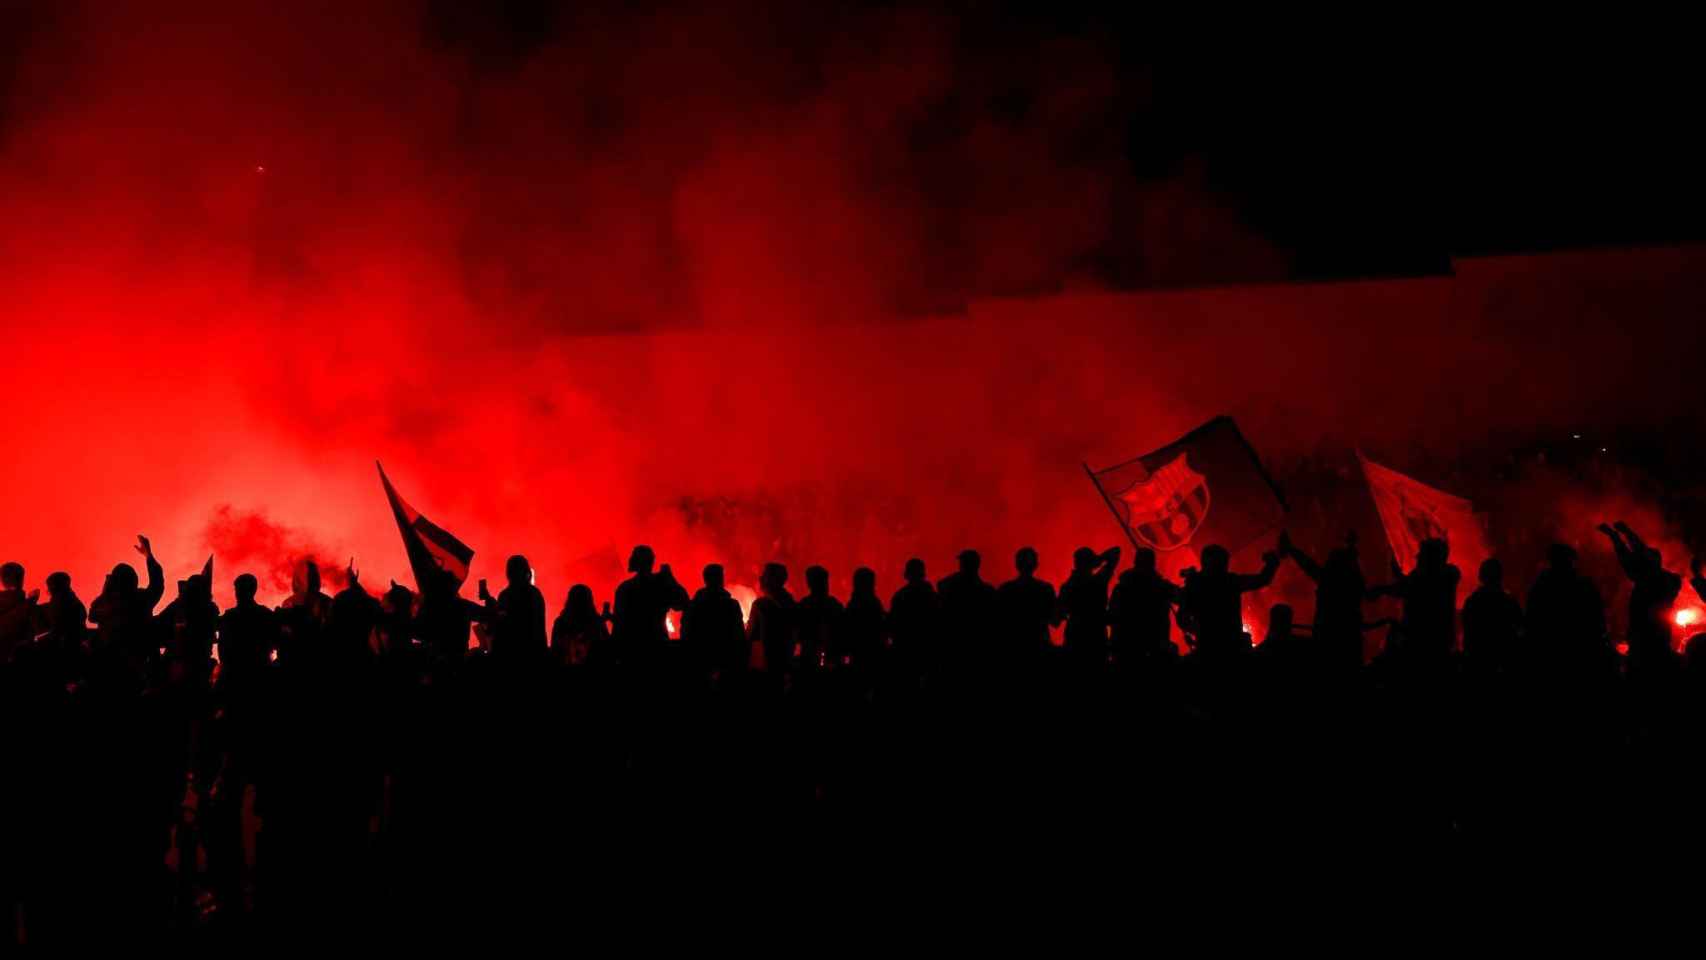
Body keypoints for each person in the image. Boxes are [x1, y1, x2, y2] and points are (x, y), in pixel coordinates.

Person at [1600, 521, 1683, 669]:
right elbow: (1629, 556)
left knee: (1644, 667)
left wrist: (1619, 535)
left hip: (1646, 635)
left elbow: (1628, 556)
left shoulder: (1655, 579)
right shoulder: (1670, 579)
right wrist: (1620, 535)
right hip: (1655, 635)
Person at [1280, 531, 1367, 671]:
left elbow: (1309, 565)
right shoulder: (1354, 583)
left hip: (1328, 640)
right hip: (1350, 642)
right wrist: (1351, 551)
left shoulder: (1329, 581)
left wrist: (1291, 549)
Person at [1178, 541, 1282, 658]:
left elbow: (1182, 618)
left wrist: (1200, 633)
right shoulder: (1230, 581)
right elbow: (1262, 579)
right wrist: (1272, 562)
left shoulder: (1194, 584)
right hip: (1233, 649)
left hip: (1207, 651)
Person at [1367, 538, 1461, 662]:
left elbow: (1410, 587)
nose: (1417, 557)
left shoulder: (1427, 577)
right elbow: (1412, 586)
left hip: (1420, 642)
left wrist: (1380, 589)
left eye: (1421, 554)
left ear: (1430, 558)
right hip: (1440, 641)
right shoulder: (1446, 576)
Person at [1525, 543, 1608, 673]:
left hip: (1549, 649)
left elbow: (1531, 616)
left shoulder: (1542, 585)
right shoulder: (1583, 585)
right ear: (1571, 560)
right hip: (1579, 649)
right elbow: (1597, 616)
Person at [88, 535, 165, 673]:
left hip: (109, 665)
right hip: (139, 664)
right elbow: (157, 584)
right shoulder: (142, 599)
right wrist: (149, 556)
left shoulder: (105, 603)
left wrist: (106, 589)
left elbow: (92, 616)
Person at [611, 546, 688, 669]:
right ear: (651, 561)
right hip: (657, 645)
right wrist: (671, 579)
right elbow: (682, 603)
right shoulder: (660, 584)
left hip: (632, 649)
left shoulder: (625, 588)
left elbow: (619, 624)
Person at [1106, 548, 1180, 666]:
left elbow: (1111, 616)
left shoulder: (1122, 587)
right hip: (1154, 649)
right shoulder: (1161, 586)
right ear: (1153, 563)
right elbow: (1183, 597)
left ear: (1135, 562)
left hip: (1124, 648)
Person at [1058, 546, 1121, 669]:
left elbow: (1058, 615)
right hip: (1096, 637)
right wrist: (1099, 559)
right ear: (1091, 563)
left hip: (1075, 636)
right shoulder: (1099, 581)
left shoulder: (1068, 586)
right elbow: (1116, 552)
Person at [936, 550, 997, 674]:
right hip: (979, 647)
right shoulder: (987, 591)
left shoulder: (951, 588)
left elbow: (941, 586)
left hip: (954, 647)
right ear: (978, 565)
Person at [996, 547, 1057, 666]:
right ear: (1035, 565)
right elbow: (1054, 621)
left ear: (1017, 564)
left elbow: (997, 620)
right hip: (1039, 646)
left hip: (1012, 647)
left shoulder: (1006, 589)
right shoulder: (1045, 589)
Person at [218, 573, 278, 693]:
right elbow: (275, 641)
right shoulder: (265, 614)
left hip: (234, 675)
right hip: (259, 673)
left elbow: (223, 646)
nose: (237, 594)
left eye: (238, 590)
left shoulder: (230, 616)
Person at [482, 555, 547, 662]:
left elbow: (504, 620)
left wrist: (490, 604)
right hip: (534, 654)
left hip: (510, 655)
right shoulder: (535, 593)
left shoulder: (506, 595)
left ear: (508, 573)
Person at [1461, 558, 1522, 674]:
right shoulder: (1508, 601)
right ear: (1500, 576)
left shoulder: (1473, 601)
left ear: (1481, 576)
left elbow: (1467, 628)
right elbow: (1520, 625)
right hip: (1503, 657)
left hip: (1478, 658)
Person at [681, 565, 743, 677]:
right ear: (721, 579)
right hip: (725, 658)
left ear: (705, 579)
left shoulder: (694, 604)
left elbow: (685, 630)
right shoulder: (732, 605)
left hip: (699, 658)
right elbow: (739, 634)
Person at [888, 558, 939, 679]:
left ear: (907, 574)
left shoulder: (900, 597)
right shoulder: (933, 597)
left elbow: (892, 625)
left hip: (905, 653)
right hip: (928, 652)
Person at [746, 562, 796, 677]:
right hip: (786, 665)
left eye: (764, 575)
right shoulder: (791, 603)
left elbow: (749, 636)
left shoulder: (761, 605)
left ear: (772, 580)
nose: (761, 578)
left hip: (766, 667)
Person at [795, 565, 844, 673]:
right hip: (831, 660)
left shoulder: (804, 605)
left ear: (809, 583)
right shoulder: (834, 605)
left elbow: (797, 633)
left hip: (810, 659)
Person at [553, 584, 611, 667]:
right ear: (589, 600)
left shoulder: (560, 622)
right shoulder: (597, 622)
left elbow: (555, 650)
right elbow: (607, 647)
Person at [842, 567, 885, 669]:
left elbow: (847, 629)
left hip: (857, 653)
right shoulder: (875, 603)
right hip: (874, 653)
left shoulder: (853, 604)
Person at [0, 561, 41, 665]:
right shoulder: (28, 604)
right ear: (22, 579)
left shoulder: (26, 603)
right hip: (23, 660)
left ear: (3, 580)